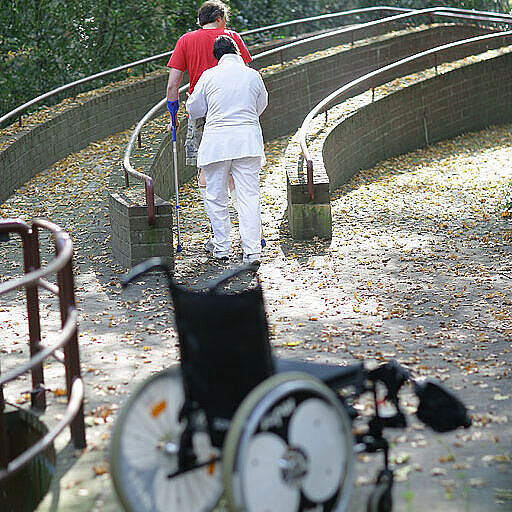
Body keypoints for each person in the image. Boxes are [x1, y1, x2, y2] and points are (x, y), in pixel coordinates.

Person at [186, 35, 268, 265]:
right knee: (249, 197)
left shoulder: (209, 76)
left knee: (216, 196)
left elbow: (195, 110)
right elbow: (261, 104)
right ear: (237, 52)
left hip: (217, 143)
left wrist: (189, 102)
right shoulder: (253, 75)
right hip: (248, 142)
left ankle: (221, 248)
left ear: (217, 56)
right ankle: (252, 252)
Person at [166, 0, 252, 218]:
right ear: (220, 18)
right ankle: (245, 223)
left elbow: (172, 85)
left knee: (205, 169)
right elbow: (246, 75)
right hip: (234, 111)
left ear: (200, 20)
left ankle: (217, 229)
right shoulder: (232, 38)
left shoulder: (185, 40)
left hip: (201, 113)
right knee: (234, 169)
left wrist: (173, 117)